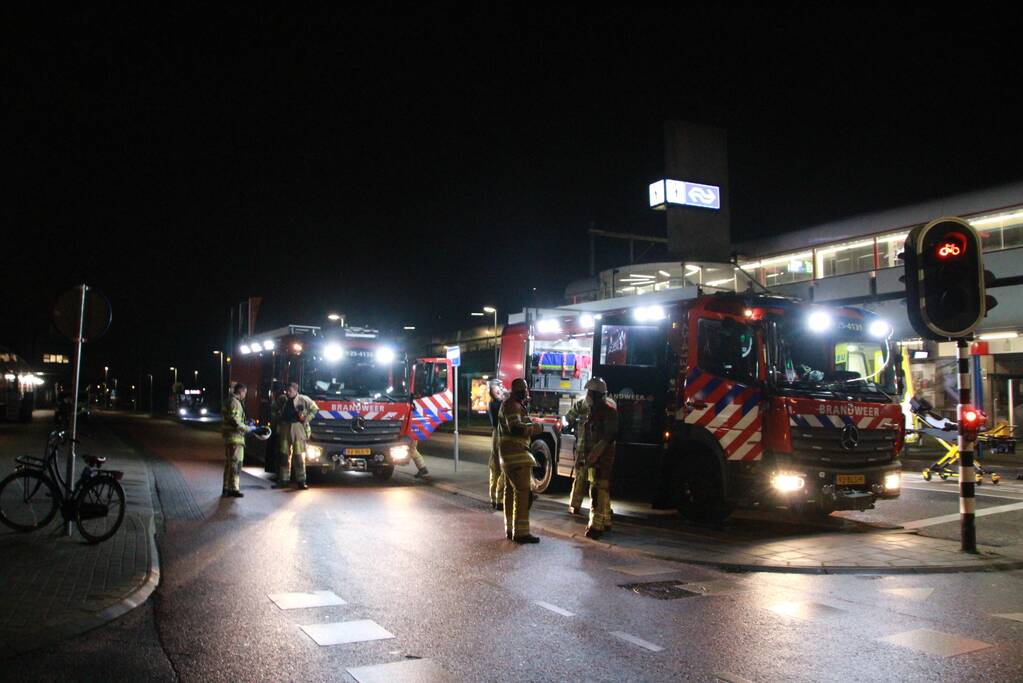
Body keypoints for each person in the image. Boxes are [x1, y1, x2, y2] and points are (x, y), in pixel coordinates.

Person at [566, 378, 618, 539]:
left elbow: (606, 439)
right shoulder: (595, 410)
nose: (587, 394)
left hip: (601, 460)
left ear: (596, 394)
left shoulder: (608, 412)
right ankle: (605, 521)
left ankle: (596, 527)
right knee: (601, 490)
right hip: (592, 458)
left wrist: (592, 458)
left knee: (598, 491)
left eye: (590, 392)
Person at [498, 378, 542, 543]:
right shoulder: (512, 405)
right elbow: (515, 427)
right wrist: (536, 428)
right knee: (523, 493)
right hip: (516, 455)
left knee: (510, 492)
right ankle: (521, 533)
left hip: (509, 456)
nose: (525, 392)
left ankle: (510, 529)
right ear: (519, 390)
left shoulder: (510, 404)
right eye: (524, 389)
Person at [271, 382, 319, 490]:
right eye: (287, 391)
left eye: (290, 391)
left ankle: (301, 481)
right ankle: (283, 480)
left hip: (298, 428)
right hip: (284, 427)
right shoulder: (283, 399)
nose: (288, 393)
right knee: (284, 455)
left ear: (296, 390)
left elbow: (315, 409)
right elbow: (273, 408)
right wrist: (277, 419)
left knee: (298, 456)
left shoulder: (303, 399)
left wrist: (306, 419)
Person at [221, 382, 251, 498]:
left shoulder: (228, 401)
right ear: (241, 391)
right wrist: (246, 428)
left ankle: (226, 488)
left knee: (229, 464)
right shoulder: (235, 403)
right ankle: (234, 489)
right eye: (245, 393)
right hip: (235, 437)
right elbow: (234, 419)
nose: (245, 395)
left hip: (229, 437)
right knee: (236, 464)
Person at [487, 379, 507, 508]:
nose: (500, 390)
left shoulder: (495, 403)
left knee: (495, 468)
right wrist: (506, 395)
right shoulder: (496, 404)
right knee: (501, 467)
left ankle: (494, 498)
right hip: (500, 435)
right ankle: (499, 499)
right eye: (497, 388)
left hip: (496, 435)